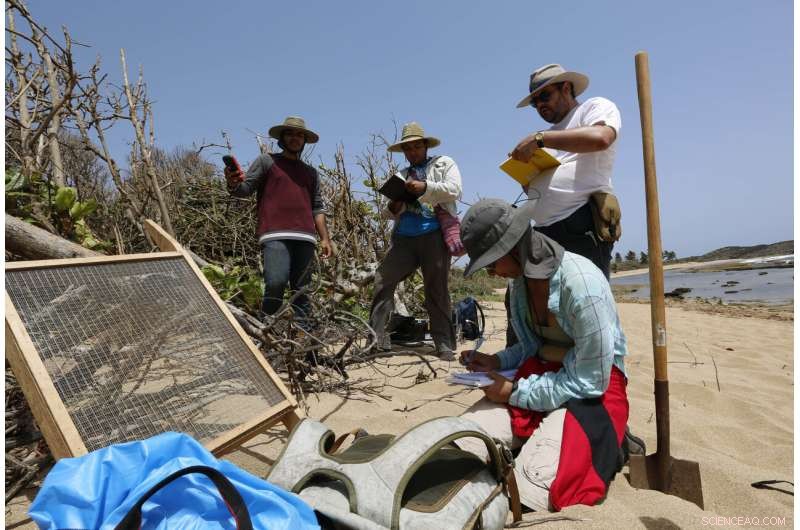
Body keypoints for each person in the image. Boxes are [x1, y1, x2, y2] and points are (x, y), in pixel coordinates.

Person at [455, 198, 629, 512]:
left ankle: (611, 441)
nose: (493, 273)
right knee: (459, 446)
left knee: (530, 489)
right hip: (541, 377)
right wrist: (497, 361)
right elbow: (529, 346)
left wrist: (514, 393)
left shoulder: (583, 285)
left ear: (514, 247)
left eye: (492, 263)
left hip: (591, 392)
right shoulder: (520, 285)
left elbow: (590, 382)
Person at [511, 63, 622, 278]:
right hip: (544, 232)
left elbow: (601, 138)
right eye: (535, 103)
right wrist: (525, 177)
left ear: (566, 88)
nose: (540, 105)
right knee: (550, 308)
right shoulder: (548, 136)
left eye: (544, 96)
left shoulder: (593, 107)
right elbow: (536, 190)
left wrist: (539, 139)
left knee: (587, 304)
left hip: (580, 225)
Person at [225, 116, 333, 324]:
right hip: (275, 233)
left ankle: (307, 344)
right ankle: (263, 329)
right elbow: (244, 190)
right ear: (282, 138)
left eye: (300, 135)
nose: (295, 138)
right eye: (290, 134)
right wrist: (233, 182)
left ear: (304, 141)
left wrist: (325, 239)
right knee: (276, 282)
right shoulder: (267, 162)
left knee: (302, 291)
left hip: (306, 236)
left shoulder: (310, 172)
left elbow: (317, 207)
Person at [369, 122, 462, 359]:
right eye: (408, 149)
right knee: (382, 280)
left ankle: (443, 343)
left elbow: (454, 190)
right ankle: (376, 341)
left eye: (417, 147)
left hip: (434, 235)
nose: (413, 152)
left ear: (425, 146)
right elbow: (388, 212)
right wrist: (394, 204)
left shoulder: (444, 163)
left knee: (437, 289)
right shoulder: (399, 175)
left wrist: (425, 186)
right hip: (404, 240)